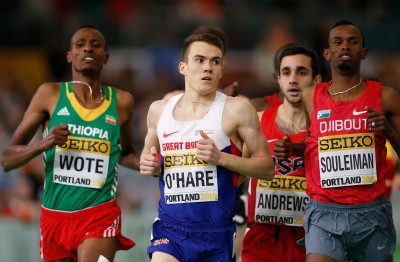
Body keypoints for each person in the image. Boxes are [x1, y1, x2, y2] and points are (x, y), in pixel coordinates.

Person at [1, 25, 139, 262]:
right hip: (54, 217)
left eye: (96, 45)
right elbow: (7, 159)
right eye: (80, 44)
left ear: (105, 57)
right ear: (69, 56)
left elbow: (126, 154)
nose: (88, 47)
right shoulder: (50, 95)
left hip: (99, 214)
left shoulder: (122, 102)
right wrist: (43, 144)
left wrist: (158, 163)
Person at [139, 32, 275, 262]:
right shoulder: (158, 110)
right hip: (171, 229)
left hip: (216, 233)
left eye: (215, 61)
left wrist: (221, 158)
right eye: (200, 60)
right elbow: (149, 158)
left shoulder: (237, 109)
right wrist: (149, 165)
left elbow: (267, 168)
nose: (208, 67)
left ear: (222, 69)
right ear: (182, 67)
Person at [275, 20, 400, 262]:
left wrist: (390, 134)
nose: (345, 47)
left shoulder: (386, 97)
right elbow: (317, 145)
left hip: (371, 211)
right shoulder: (311, 95)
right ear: (327, 53)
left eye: (353, 42)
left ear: (363, 52)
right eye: (338, 42)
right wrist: (293, 148)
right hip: (324, 211)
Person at [241, 44, 322, 262]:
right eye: (286, 72)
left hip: (315, 239)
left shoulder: (328, 126)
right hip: (262, 240)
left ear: (317, 81)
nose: (293, 79)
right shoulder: (256, 121)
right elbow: (235, 175)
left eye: (302, 72)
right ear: (278, 79)